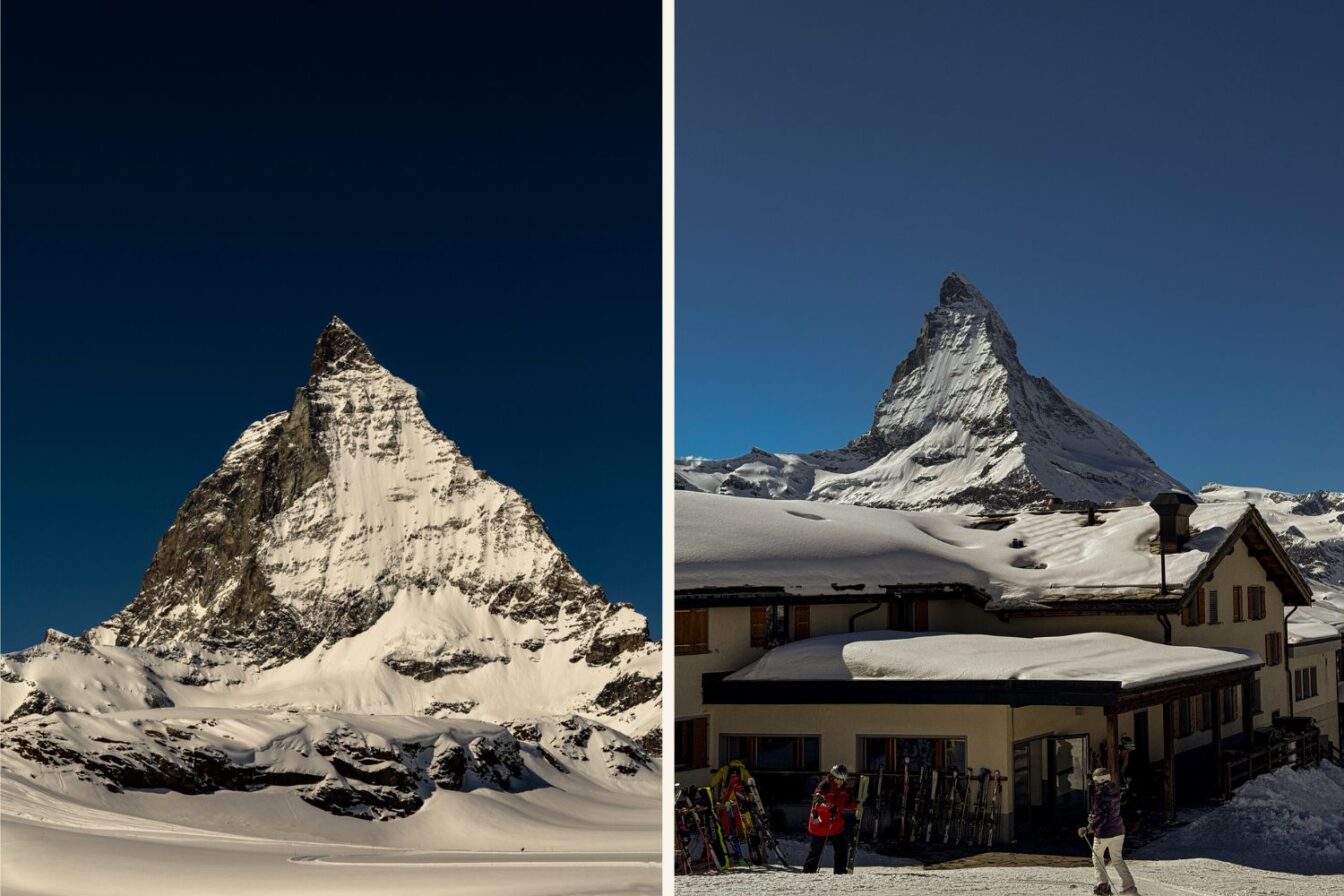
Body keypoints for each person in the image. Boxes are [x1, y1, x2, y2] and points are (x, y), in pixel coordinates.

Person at [1080, 767, 1137, 896]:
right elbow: (1108, 812)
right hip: (1118, 830)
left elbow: (1102, 816)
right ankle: (1129, 887)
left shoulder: (1100, 795)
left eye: (1095, 781)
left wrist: (1088, 828)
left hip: (1104, 833)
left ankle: (1102, 884)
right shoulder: (1114, 791)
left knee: (1097, 856)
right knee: (1117, 859)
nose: (1094, 784)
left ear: (1100, 780)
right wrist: (1093, 817)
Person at [803, 764, 854, 874]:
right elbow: (818, 801)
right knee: (815, 851)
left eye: (843, 780)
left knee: (842, 848)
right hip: (820, 825)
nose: (840, 782)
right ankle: (808, 872)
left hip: (835, 825)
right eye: (838, 779)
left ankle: (840, 872)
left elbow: (843, 803)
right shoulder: (824, 786)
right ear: (833, 777)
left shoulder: (843, 789)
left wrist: (855, 805)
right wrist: (829, 807)